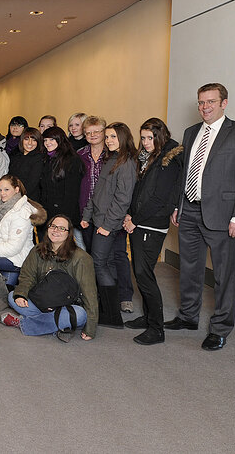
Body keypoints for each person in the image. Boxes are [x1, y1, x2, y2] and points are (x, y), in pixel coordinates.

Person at [167, 83, 235, 351]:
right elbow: (185, 174)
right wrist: (178, 206)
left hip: (223, 215)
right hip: (190, 211)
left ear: (224, 103)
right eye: (201, 102)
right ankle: (188, 316)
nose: (205, 107)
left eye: (210, 102)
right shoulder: (191, 131)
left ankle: (220, 329)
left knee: (223, 276)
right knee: (190, 270)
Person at [122, 118, 183, 345]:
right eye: (144, 137)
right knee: (140, 272)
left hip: (151, 225)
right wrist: (130, 215)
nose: (146, 142)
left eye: (151, 138)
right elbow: (139, 192)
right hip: (139, 222)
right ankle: (148, 317)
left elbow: (159, 199)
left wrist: (134, 220)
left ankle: (157, 329)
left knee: (144, 275)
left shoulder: (169, 160)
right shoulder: (150, 159)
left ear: (161, 136)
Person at [1, 215, 97, 342]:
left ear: (69, 233)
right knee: (12, 296)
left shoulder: (81, 258)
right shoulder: (37, 250)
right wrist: (21, 294)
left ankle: (23, 323)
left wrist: (90, 328)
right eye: (53, 226)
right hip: (42, 300)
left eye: (62, 228)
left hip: (67, 306)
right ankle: (58, 324)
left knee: (80, 315)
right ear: (48, 229)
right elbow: (27, 276)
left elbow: (89, 293)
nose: (56, 231)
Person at [81, 122, 137, 327]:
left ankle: (112, 314)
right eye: (108, 137)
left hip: (107, 223)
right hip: (99, 219)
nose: (109, 141)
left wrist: (108, 224)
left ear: (123, 138)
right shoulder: (112, 159)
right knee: (108, 264)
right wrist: (87, 215)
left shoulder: (127, 163)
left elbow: (123, 199)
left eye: (113, 137)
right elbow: (97, 193)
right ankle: (109, 308)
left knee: (99, 263)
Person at [0, 176, 46, 312]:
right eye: (0, 190)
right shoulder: (2, 205)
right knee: (8, 287)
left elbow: (14, 248)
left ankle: (2, 297)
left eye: (6, 189)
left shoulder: (21, 212)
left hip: (18, 256)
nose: (2, 193)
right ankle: (8, 289)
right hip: (6, 252)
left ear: (16, 189)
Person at [37, 127, 84, 241]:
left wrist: (62, 219)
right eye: (45, 140)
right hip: (46, 213)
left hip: (62, 214)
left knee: (61, 248)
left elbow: (72, 193)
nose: (48, 143)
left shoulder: (72, 160)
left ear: (60, 140)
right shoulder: (45, 158)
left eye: (51, 140)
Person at [76, 115, 107, 251]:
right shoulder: (80, 155)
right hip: (85, 213)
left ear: (104, 132)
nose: (92, 135)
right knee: (89, 249)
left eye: (96, 131)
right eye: (88, 132)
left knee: (105, 253)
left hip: (107, 213)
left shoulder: (112, 155)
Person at [7, 126, 46, 203]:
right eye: (26, 139)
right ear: (22, 140)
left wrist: (15, 196)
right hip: (11, 198)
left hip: (28, 201)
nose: (30, 143)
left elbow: (32, 184)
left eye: (34, 140)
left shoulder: (38, 158)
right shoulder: (15, 156)